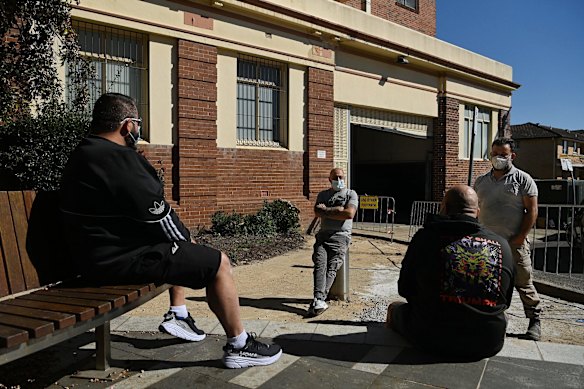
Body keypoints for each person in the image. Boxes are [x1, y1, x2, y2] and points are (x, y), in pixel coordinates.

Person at [59, 93, 282, 369]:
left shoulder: (85, 152)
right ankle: (239, 345)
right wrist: (189, 240)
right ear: (127, 125)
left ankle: (178, 312)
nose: (138, 131)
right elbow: (156, 212)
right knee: (218, 263)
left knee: (180, 247)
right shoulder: (116, 158)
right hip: (114, 260)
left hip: (94, 255)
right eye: (137, 124)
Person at [386, 185, 515, 359]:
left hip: (431, 338)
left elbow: (405, 289)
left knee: (394, 309)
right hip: (487, 343)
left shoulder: (425, 238)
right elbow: (505, 300)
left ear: (444, 208)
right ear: (477, 212)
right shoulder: (501, 244)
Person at [474, 137, 542, 341]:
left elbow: (532, 210)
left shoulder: (523, 180)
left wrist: (520, 237)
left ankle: (534, 320)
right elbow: (476, 209)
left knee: (523, 281)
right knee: (489, 282)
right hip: (488, 245)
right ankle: (492, 320)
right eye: (494, 154)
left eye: (503, 155)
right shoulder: (481, 181)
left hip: (515, 244)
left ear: (512, 156)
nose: (498, 158)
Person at [308, 168, 358, 316]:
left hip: (341, 236)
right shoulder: (323, 194)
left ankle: (320, 299)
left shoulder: (351, 194)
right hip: (323, 236)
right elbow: (317, 212)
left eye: (341, 177)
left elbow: (349, 214)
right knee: (319, 265)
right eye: (336, 177)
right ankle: (319, 299)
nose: (339, 180)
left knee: (332, 268)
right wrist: (337, 210)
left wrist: (327, 211)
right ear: (330, 179)